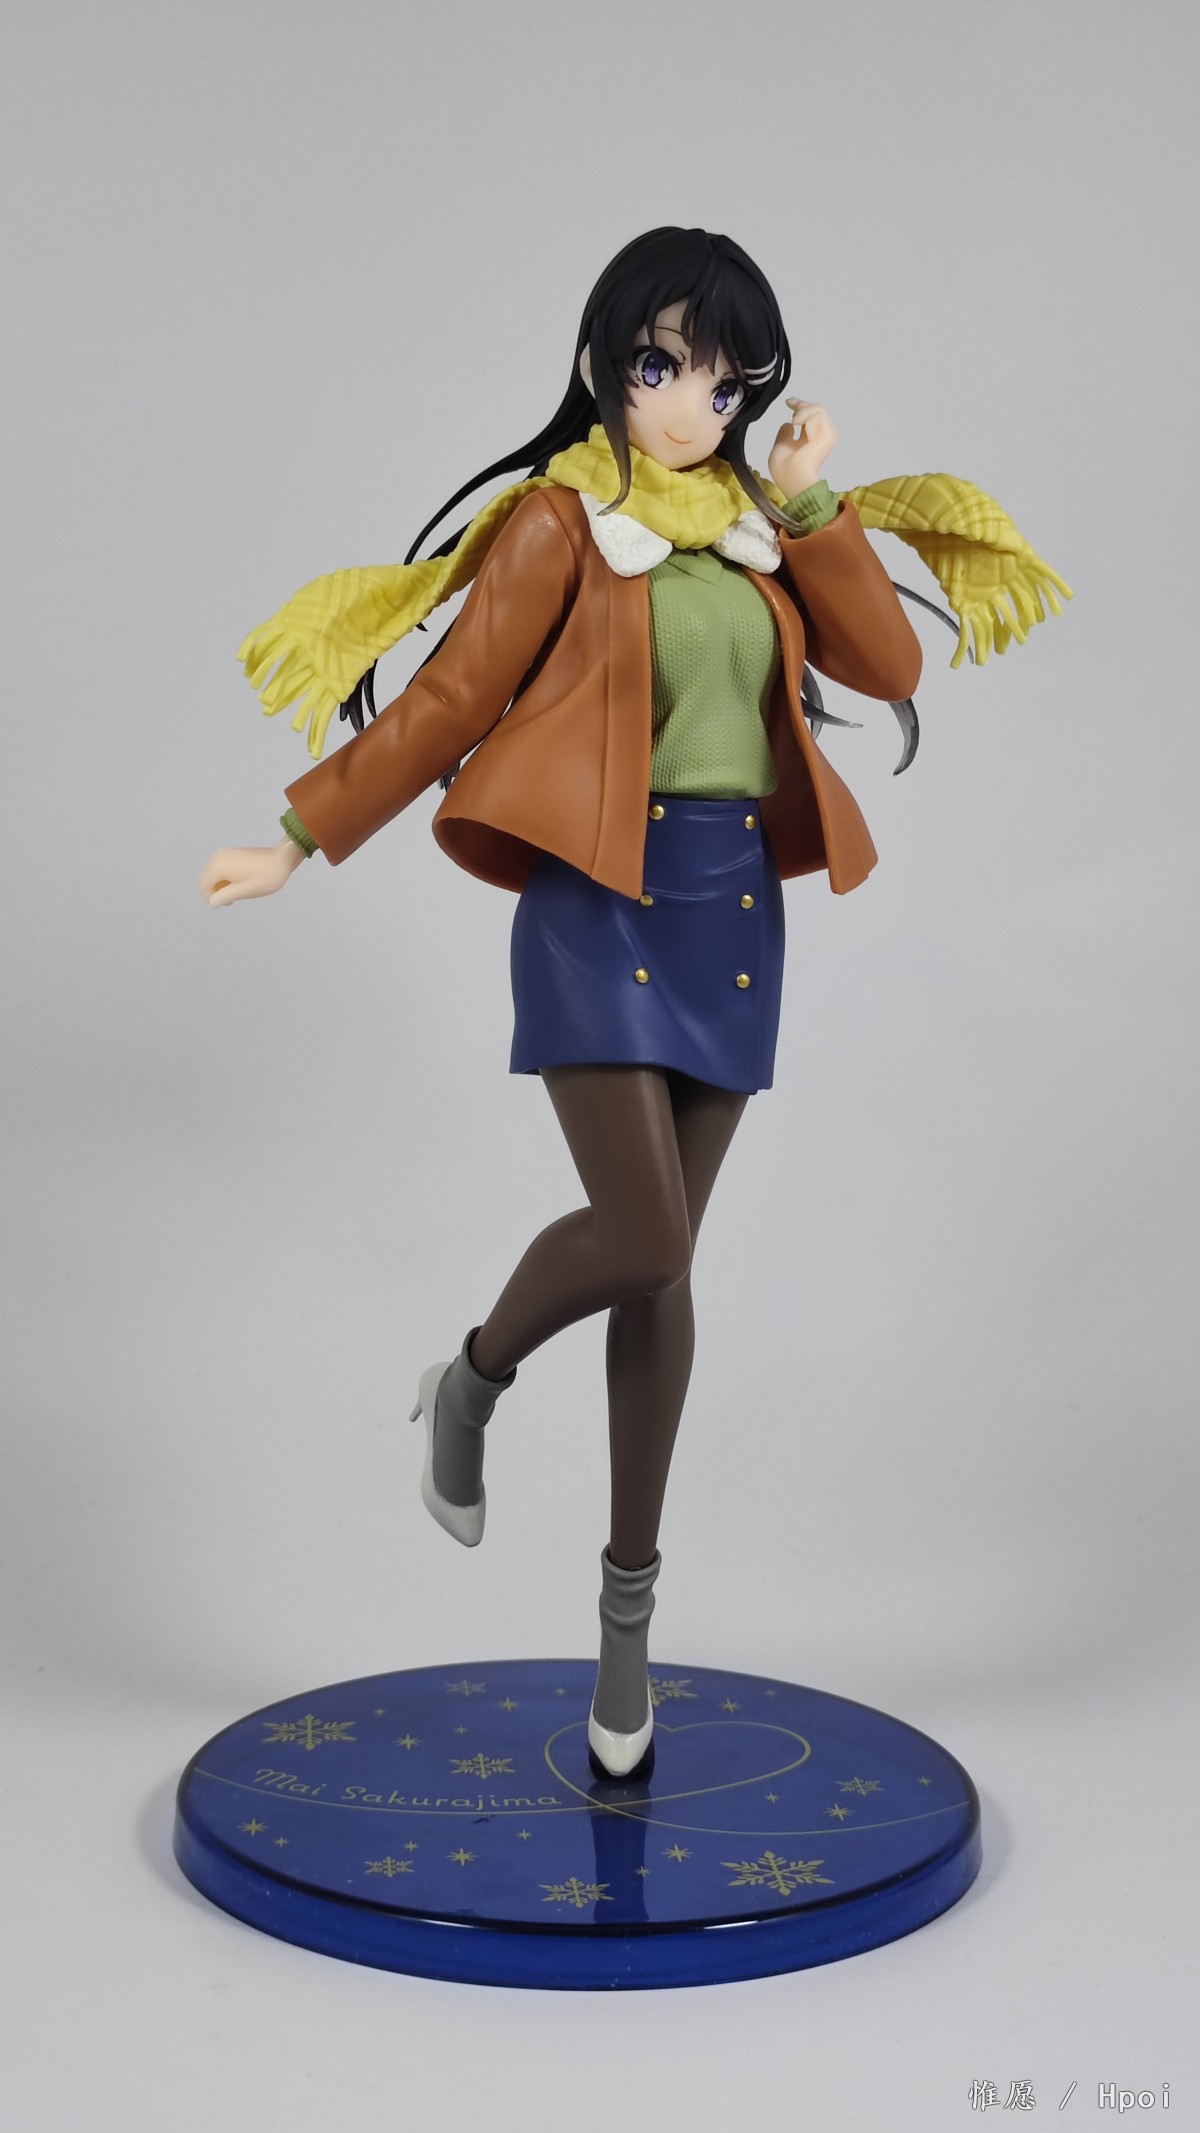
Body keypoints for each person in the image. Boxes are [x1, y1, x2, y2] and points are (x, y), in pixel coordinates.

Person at [199, 226, 940, 1782]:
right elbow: (447, 701)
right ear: (609, 362)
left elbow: (886, 664)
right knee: (646, 1234)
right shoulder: (562, 521)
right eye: (666, 367)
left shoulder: (755, 527)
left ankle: (625, 1621)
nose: (694, 407)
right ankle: (472, 1378)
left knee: (668, 1273)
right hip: (597, 905)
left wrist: (814, 505)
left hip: (731, 917)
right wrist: (296, 837)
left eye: (727, 383)